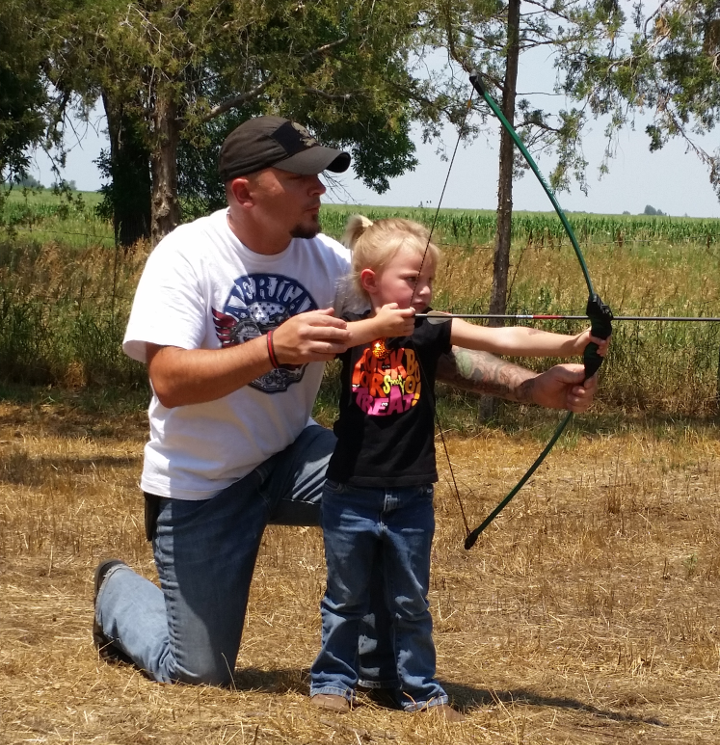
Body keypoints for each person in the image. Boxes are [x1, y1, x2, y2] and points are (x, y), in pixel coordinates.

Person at [92, 115, 600, 691]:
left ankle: (373, 661)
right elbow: (169, 381)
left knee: (388, 487)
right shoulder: (186, 256)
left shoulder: (332, 263)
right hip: (201, 483)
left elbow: (421, 347)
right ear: (245, 192)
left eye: (321, 174)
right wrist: (271, 349)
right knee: (198, 672)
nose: (320, 189)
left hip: (294, 455)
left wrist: (531, 386)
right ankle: (116, 589)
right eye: (302, 176)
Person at [308, 216, 609, 719]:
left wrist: (572, 344)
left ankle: (420, 690)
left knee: (411, 602)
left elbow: (501, 339)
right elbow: (320, 343)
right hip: (349, 490)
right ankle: (333, 682)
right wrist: (375, 327)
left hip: (411, 494)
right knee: (344, 598)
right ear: (370, 282)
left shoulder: (431, 329)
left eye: (429, 281)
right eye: (411, 279)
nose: (423, 291)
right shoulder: (345, 324)